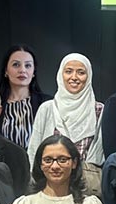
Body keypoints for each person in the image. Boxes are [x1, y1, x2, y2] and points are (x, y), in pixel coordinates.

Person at [27, 53, 104, 192]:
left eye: (81, 72)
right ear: (60, 75)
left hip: (85, 189)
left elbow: (98, 156)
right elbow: (34, 151)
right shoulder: (47, 108)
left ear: (89, 76)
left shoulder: (99, 110)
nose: (74, 77)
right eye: (68, 71)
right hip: (49, 187)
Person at [0, 44, 53, 149]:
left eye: (28, 65)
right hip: (3, 164)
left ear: (34, 71)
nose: (22, 70)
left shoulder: (47, 104)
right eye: (16, 65)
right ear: (6, 71)